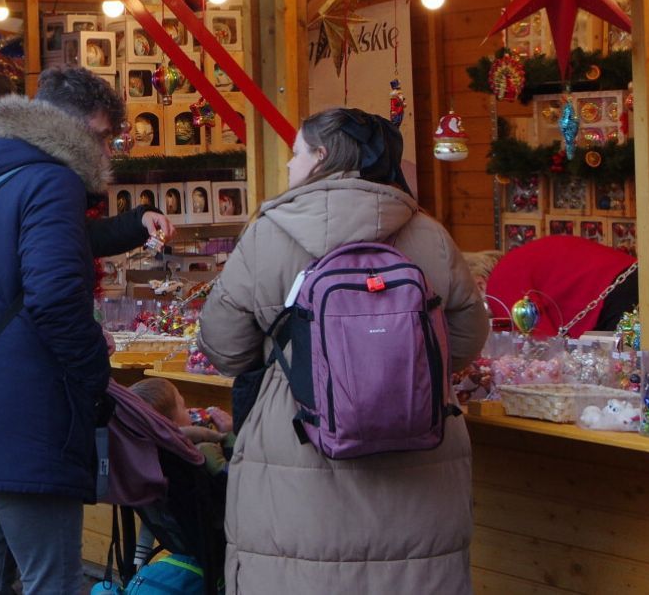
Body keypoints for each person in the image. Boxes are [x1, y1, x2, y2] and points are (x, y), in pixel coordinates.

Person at [197, 108, 489, 594]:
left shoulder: (268, 234)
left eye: (295, 153)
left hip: (298, 457)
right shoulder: (428, 233)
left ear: (322, 157)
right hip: (421, 463)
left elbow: (225, 346)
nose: (289, 167)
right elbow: (465, 337)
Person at [0, 67, 121, 595]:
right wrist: (92, 375)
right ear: (70, 125)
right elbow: (55, 296)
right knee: (50, 581)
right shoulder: (51, 180)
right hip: (28, 415)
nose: (109, 149)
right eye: (104, 135)